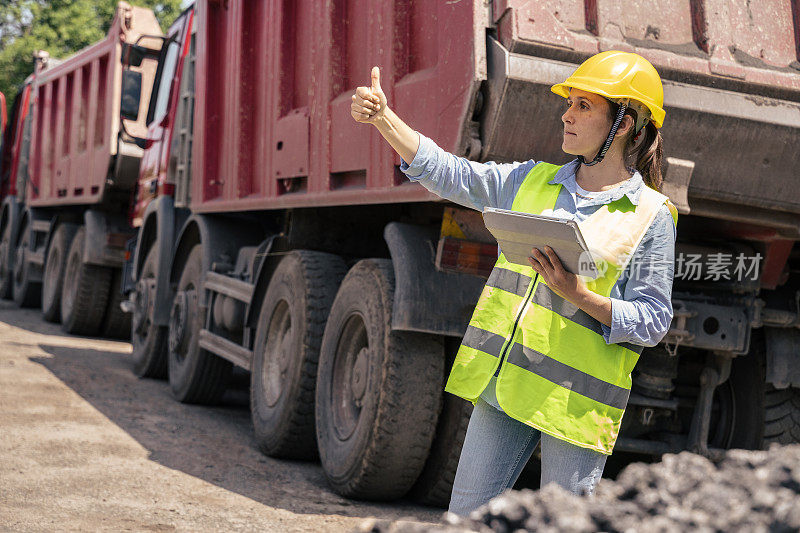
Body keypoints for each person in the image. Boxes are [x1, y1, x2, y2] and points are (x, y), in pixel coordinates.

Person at [351, 51, 678, 516]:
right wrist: (386, 120)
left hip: (574, 407)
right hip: (504, 384)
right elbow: (454, 175)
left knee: (562, 528)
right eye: (570, 103)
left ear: (623, 123)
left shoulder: (652, 217)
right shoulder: (532, 181)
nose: (566, 114)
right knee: (465, 520)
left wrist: (579, 296)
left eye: (584, 106)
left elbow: (653, 321)